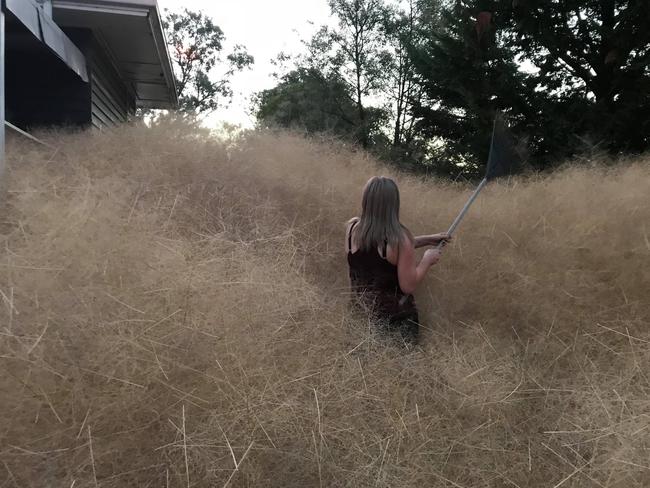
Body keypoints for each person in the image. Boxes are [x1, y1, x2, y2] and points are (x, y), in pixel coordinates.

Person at [346, 176, 450, 345]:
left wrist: (426, 239)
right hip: (395, 321)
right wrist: (427, 260)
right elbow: (408, 285)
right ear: (393, 203)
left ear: (366, 200)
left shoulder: (352, 229)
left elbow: (375, 249)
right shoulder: (400, 238)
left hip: (359, 316)